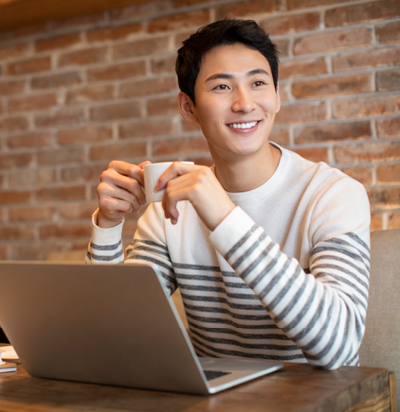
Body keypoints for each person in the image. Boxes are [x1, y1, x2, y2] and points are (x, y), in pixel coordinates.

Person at [86, 19, 370, 370]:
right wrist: (108, 225)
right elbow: (112, 333)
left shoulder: (333, 194)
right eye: (222, 86)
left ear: (277, 97)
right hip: (216, 401)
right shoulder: (170, 206)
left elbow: (338, 347)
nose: (244, 103)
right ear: (188, 107)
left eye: (258, 83)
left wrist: (225, 216)